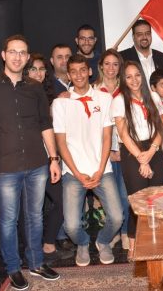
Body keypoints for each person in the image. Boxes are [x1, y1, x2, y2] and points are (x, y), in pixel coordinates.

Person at [0, 34, 61, 290]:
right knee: (8, 220)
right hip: (5, 167)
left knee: (35, 216)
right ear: (3, 55)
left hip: (37, 163)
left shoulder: (35, 88)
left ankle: (36, 263)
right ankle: (13, 268)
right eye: (13, 52)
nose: (17, 57)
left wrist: (54, 158)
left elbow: (45, 124)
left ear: (27, 57)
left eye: (22, 52)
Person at [53, 54, 123, 267]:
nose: (79, 75)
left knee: (117, 217)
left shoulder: (104, 99)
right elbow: (61, 143)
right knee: (71, 226)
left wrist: (100, 171)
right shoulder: (60, 103)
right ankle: (83, 243)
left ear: (90, 71)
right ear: (68, 75)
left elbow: (107, 137)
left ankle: (103, 241)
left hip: (102, 170)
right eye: (73, 71)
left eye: (83, 70)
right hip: (73, 172)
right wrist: (77, 173)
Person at [110, 61, 163, 258]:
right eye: (129, 76)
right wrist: (142, 159)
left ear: (142, 75)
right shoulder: (119, 101)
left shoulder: (153, 97)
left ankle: (154, 241)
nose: (134, 80)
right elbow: (124, 135)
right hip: (132, 152)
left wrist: (152, 151)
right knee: (138, 201)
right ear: (123, 80)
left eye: (137, 75)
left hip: (154, 149)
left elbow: (160, 128)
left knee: (155, 200)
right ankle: (133, 244)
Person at [23, 53, 70, 263]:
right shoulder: (20, 95)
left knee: (63, 201)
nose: (38, 73)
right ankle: (30, 252)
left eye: (42, 69)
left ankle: (49, 244)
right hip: (28, 159)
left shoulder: (52, 97)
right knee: (31, 209)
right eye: (33, 69)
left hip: (51, 158)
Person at [93, 49, 129, 249]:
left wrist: (123, 149)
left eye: (115, 64)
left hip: (125, 149)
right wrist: (108, 152)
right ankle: (114, 232)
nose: (111, 68)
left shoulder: (126, 89)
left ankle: (125, 233)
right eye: (107, 63)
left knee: (125, 195)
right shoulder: (93, 91)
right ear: (101, 66)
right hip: (103, 152)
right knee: (111, 196)